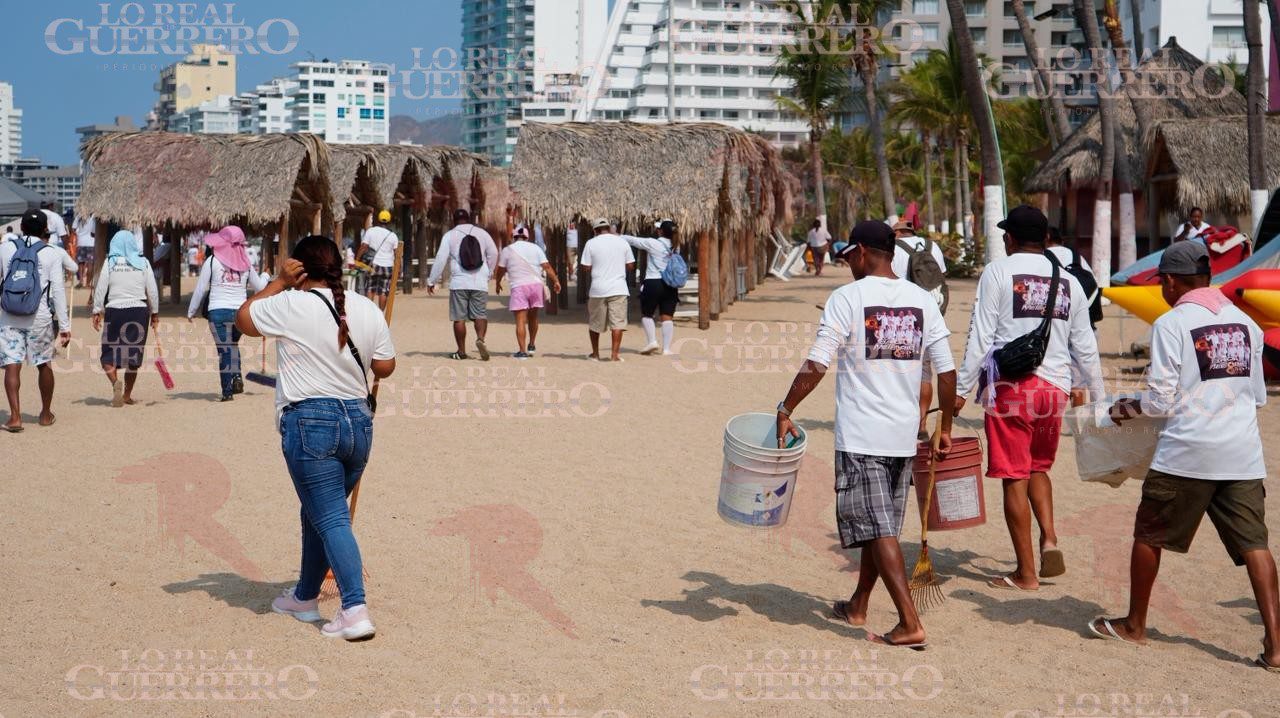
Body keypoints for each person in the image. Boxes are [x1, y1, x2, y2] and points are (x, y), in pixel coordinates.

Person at [1097, 242, 1280, 671]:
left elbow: (1160, 401)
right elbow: (1257, 395)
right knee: (1256, 545)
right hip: (1242, 453)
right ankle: (1276, 646)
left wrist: (1121, 409)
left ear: (1170, 281)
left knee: (1149, 535)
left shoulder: (1172, 323)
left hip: (1187, 453)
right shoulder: (1246, 323)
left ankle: (1134, 626)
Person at [776, 221, 956, 649]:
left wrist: (786, 408)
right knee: (883, 525)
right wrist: (943, 427)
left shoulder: (847, 298)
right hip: (902, 435)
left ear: (860, 251)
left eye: (848, 257)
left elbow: (818, 362)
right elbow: (946, 371)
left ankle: (910, 622)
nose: (847, 264)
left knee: (879, 528)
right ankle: (858, 603)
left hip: (861, 435)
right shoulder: (921, 300)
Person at [236, 235, 396, 641]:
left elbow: (244, 320)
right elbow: (385, 366)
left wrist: (276, 280)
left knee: (330, 517)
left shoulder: (290, 302)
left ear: (300, 269)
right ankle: (305, 597)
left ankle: (354, 608)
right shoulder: (365, 307)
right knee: (318, 512)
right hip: (358, 423)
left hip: (311, 421)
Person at [955, 205, 1104, 590]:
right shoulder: (1068, 280)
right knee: (1039, 468)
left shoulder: (998, 271)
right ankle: (1049, 538)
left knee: (1013, 477)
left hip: (1011, 388)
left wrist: (959, 389)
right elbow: (1085, 345)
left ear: (1011, 238)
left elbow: (981, 337)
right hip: (1053, 389)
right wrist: (1099, 397)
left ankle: (1025, 573)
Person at [0, 210, 71, 432]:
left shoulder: (5, 248)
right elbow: (58, 291)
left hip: (9, 314)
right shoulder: (51, 253)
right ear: (44, 230)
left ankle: (15, 417)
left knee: (12, 365)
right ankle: (45, 414)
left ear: (21, 227)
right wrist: (65, 326)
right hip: (38, 317)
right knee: (43, 364)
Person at [188, 226, 268, 401]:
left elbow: (201, 288)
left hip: (217, 312)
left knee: (224, 350)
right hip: (240, 313)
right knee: (231, 345)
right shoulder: (246, 263)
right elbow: (260, 287)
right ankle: (237, 376)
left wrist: (191, 311)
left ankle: (227, 391)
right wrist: (266, 276)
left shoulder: (212, 261)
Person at [891, 220, 949, 437]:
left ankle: (902, 421)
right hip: (931, 314)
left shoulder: (894, 249)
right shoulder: (932, 246)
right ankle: (921, 424)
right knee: (925, 373)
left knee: (899, 370)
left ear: (897, 233)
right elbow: (940, 279)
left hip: (903, 317)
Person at [91, 230, 159, 407]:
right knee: (133, 356)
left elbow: (101, 287)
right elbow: (152, 289)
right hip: (138, 311)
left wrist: (97, 310)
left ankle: (115, 384)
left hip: (115, 310)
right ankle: (127, 395)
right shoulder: (143, 262)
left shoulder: (110, 262)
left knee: (108, 354)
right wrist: (155, 313)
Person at [428, 209, 498, 361]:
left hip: (459, 282)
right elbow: (493, 253)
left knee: (459, 318)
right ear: (469, 219)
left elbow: (441, 259)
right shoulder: (482, 233)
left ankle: (461, 352)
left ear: (454, 220)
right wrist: (489, 271)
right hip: (479, 281)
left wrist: (431, 281)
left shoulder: (450, 235)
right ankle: (480, 339)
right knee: (480, 314)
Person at [494, 224, 561, 359]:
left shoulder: (507, 250)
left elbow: (501, 269)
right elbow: (546, 266)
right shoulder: (536, 248)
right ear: (527, 237)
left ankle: (522, 352)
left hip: (519, 286)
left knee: (520, 320)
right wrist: (556, 281)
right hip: (535, 285)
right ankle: (531, 344)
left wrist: (498, 282)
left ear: (513, 237)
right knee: (533, 317)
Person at [580, 218, 635, 362]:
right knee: (618, 323)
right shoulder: (622, 242)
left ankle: (595, 354)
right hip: (619, 288)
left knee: (595, 323)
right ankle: (614, 355)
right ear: (609, 228)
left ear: (595, 230)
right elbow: (630, 265)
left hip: (598, 289)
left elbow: (586, 267)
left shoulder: (591, 243)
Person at [622, 220, 680, 356]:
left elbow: (632, 240)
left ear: (660, 231)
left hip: (653, 282)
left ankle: (652, 341)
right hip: (670, 284)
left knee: (647, 314)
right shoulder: (676, 246)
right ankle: (666, 349)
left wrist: (614, 235)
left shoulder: (653, 243)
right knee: (667, 317)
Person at [357, 210, 400, 310]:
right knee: (384, 291)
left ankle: (369, 312)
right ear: (389, 221)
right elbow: (397, 254)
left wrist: (357, 259)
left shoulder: (371, 231)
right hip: (388, 266)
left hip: (373, 265)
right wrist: (399, 269)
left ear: (378, 220)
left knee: (370, 288)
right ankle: (380, 314)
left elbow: (364, 246)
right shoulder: (393, 236)